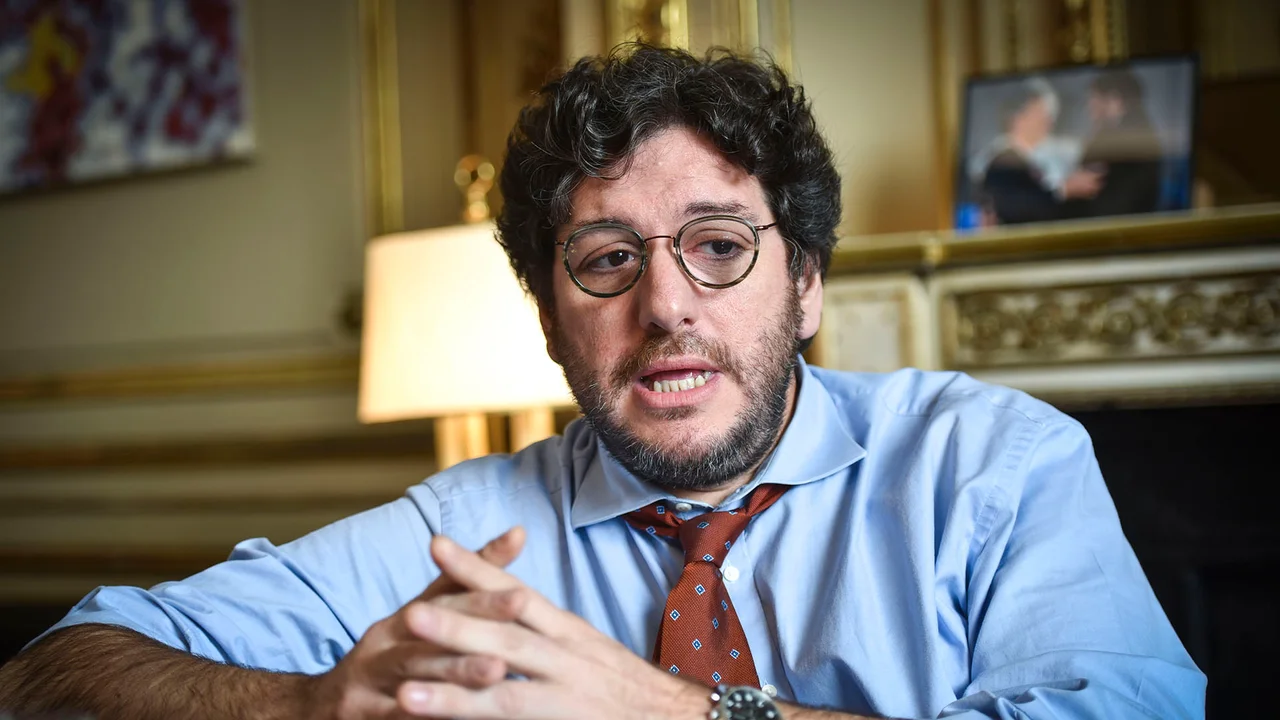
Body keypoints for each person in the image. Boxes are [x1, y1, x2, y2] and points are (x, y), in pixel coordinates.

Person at [0, 44, 1204, 720]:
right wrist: (310, 707)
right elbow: (54, 669)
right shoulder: (463, 533)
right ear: (548, 319)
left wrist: (672, 712)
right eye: (606, 259)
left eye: (718, 246)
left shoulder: (989, 462)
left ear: (804, 286)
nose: (666, 304)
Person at [978, 80, 1103, 225]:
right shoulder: (1003, 161)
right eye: (1039, 112)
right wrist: (1064, 190)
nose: (1048, 120)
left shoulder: (1037, 156)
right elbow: (1019, 207)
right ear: (1017, 117)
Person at [1069, 68, 1164, 219]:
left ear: (1115, 100)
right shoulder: (1140, 130)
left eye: (1094, 99)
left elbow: (1089, 185)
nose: (1089, 107)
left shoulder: (1120, 140)